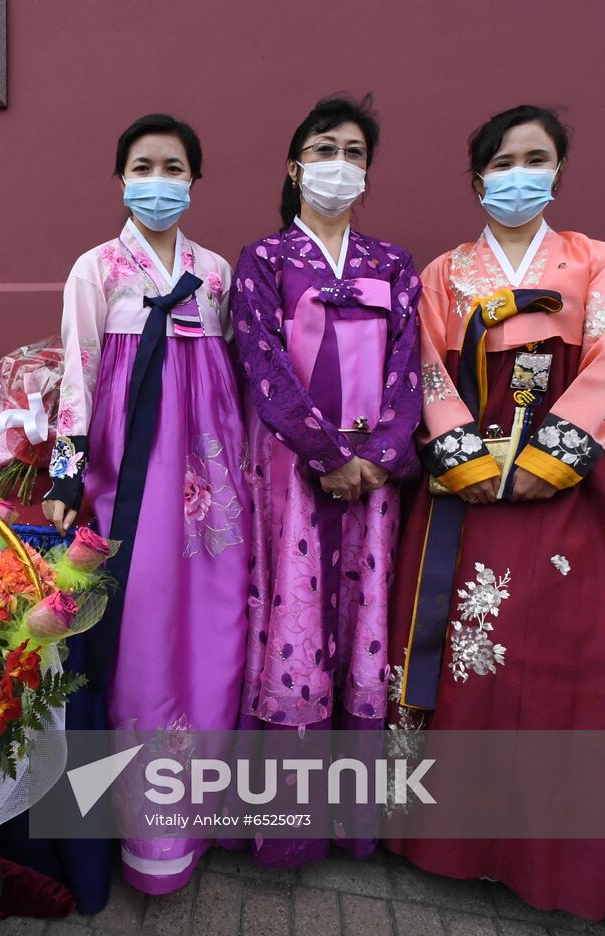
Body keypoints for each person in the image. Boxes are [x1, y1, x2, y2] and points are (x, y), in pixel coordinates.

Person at [385, 104, 605, 918]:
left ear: (557, 170)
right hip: (467, 482)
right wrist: (461, 456)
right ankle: (458, 838)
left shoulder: (596, 259)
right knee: (467, 654)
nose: (521, 173)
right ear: (478, 177)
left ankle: (561, 848)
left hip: (580, 476)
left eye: (537, 157)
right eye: (504, 160)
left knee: (587, 646)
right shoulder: (443, 274)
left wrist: (556, 454)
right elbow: (428, 372)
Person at [41, 113, 251, 894]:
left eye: (173, 166)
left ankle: (203, 817)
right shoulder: (95, 269)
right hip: (131, 476)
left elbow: (230, 379)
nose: (158, 180)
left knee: (219, 621)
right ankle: (142, 835)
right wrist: (67, 479)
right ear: (121, 178)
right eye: (143, 165)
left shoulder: (219, 273)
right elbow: (79, 378)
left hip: (212, 480)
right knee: (144, 629)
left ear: (194, 180)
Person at [231, 95, 422, 868]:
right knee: (297, 620)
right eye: (323, 148)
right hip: (292, 474)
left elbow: (413, 367)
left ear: (366, 170)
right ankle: (289, 828)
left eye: (352, 150)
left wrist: (377, 452)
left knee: (365, 628)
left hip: (375, 475)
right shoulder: (264, 261)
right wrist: (325, 454)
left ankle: (356, 823)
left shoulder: (393, 263)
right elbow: (261, 364)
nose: (337, 163)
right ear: (295, 165)